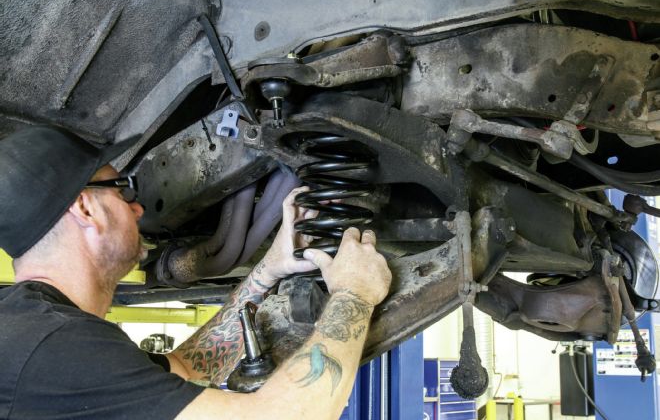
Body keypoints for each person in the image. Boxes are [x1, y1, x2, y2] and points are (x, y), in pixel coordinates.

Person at [0, 126, 392, 420]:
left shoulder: (35, 336)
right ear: (85, 209)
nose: (137, 210)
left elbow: (188, 367)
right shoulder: (50, 348)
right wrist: (355, 294)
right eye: (121, 191)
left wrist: (269, 269)